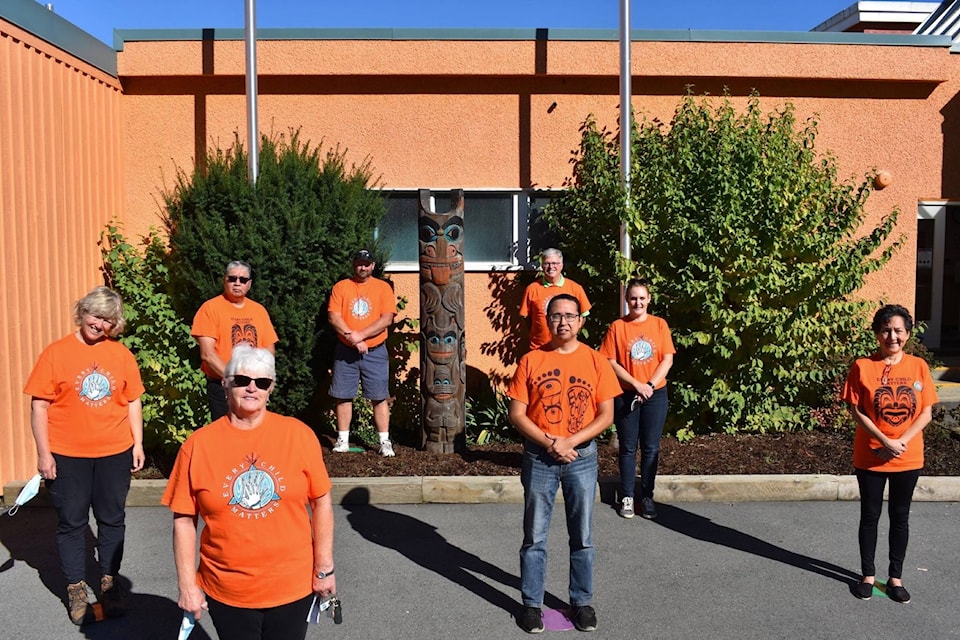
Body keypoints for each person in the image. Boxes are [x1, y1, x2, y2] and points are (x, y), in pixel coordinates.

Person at [162, 345, 336, 640]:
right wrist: (187, 585)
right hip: (227, 589)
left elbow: (322, 503)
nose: (252, 388)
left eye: (262, 382)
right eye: (242, 380)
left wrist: (325, 569)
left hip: (291, 586)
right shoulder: (198, 446)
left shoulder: (298, 435)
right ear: (225, 384)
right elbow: (183, 520)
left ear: (271, 389)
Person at [23, 286, 145, 625]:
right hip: (67, 455)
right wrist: (44, 453)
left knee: (112, 519)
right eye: (95, 315)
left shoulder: (122, 355)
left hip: (114, 452)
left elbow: (133, 400)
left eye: (108, 320)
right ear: (82, 313)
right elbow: (39, 405)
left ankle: (109, 582)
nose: (100, 324)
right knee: (72, 523)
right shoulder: (55, 353)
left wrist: (137, 443)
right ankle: (76, 589)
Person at [507, 293, 621, 633]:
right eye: (556, 316)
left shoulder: (596, 360)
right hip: (540, 457)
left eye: (570, 316)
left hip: (581, 457)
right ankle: (531, 604)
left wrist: (570, 441)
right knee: (534, 536)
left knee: (582, 535)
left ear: (580, 320)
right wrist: (551, 442)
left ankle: (582, 601)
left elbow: (607, 414)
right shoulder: (531, 360)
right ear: (547, 319)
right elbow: (517, 413)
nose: (563, 322)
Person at [842, 304, 937, 604]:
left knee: (900, 516)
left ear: (907, 334)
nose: (891, 336)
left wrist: (900, 441)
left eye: (897, 330)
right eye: (885, 330)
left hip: (907, 457)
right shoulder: (862, 366)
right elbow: (856, 411)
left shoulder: (918, 366)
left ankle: (895, 577)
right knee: (869, 516)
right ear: (876, 333)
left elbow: (926, 412)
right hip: (870, 455)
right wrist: (884, 439)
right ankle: (868, 576)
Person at [599, 278, 675, 520]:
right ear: (626, 300)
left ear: (649, 299)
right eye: (633, 298)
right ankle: (627, 496)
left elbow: (667, 359)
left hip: (655, 394)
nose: (638, 302)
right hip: (627, 395)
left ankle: (647, 496)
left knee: (651, 448)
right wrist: (636, 384)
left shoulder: (660, 325)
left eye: (642, 298)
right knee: (628, 448)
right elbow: (609, 361)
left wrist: (650, 385)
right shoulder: (617, 327)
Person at [328, 249, 398, 456]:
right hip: (345, 351)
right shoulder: (342, 287)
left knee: (379, 396)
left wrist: (361, 336)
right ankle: (343, 440)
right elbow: (334, 317)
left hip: (375, 350)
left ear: (373, 266)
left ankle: (384, 442)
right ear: (354, 265)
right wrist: (353, 338)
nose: (363, 267)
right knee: (343, 395)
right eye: (359, 263)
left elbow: (387, 319)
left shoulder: (383, 288)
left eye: (367, 264)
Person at [191, 260, 278, 421]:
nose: (237, 283)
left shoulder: (259, 311)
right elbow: (207, 354)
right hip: (223, 386)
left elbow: (269, 350)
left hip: (255, 387)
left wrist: (264, 380)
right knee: (226, 436)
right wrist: (235, 380)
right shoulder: (210, 309)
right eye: (232, 278)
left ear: (249, 284)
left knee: (254, 433)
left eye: (243, 280)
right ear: (225, 280)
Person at [520, 248, 592, 351]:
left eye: (555, 263)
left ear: (561, 265)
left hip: (566, 349)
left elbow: (583, 315)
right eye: (547, 263)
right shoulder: (532, 289)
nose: (551, 267)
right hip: (539, 348)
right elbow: (526, 318)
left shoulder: (575, 288)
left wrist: (571, 333)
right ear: (542, 266)